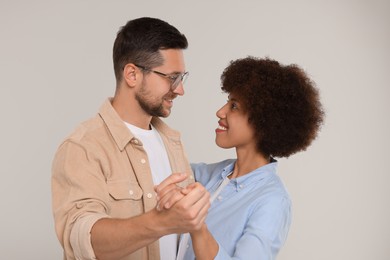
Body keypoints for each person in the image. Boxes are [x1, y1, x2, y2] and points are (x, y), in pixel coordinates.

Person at [51, 17, 210, 260]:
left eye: (182, 77)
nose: (180, 89)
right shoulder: (84, 147)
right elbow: (81, 240)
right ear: (132, 74)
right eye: (172, 77)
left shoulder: (172, 143)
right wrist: (159, 222)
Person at [156, 57, 325, 259]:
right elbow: (160, 167)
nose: (220, 112)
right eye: (227, 102)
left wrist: (197, 227)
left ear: (264, 121)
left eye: (234, 106)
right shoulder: (211, 175)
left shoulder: (272, 202)